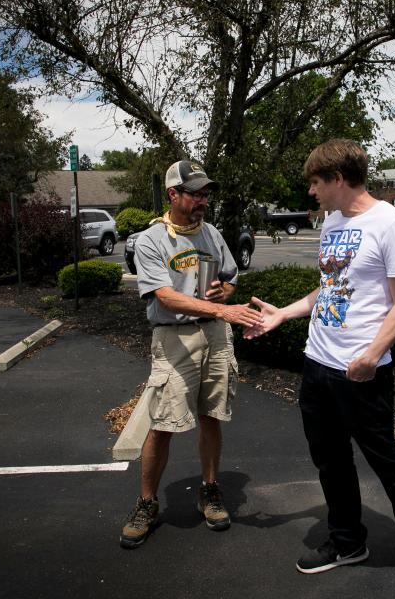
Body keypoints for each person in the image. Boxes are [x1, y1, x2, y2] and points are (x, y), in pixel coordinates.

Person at [243, 139, 395, 587]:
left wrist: (371, 355)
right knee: (331, 462)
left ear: (337, 178)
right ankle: (348, 541)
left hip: (361, 371)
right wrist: (284, 313)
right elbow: (331, 286)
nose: (311, 192)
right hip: (317, 364)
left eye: (316, 182)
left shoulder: (390, 224)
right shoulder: (332, 221)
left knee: (386, 459)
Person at [120, 160, 263, 549]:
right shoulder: (151, 240)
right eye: (195, 193)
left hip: (215, 337)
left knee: (211, 415)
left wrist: (224, 294)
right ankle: (146, 503)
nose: (203, 200)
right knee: (164, 422)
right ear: (173, 195)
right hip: (175, 341)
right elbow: (163, 296)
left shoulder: (212, 233)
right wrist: (223, 309)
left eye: (205, 194)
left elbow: (230, 278)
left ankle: (210, 490)